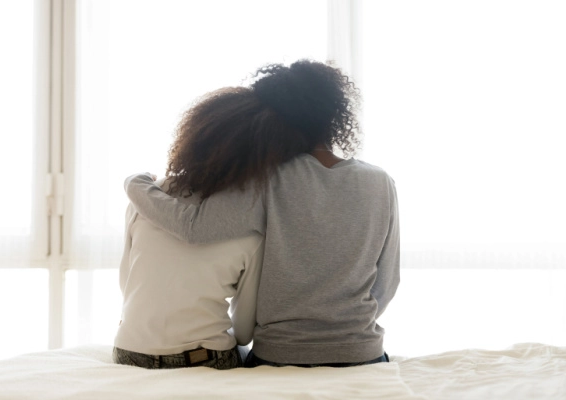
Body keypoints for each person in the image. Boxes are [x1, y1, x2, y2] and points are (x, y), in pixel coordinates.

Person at [124, 60, 400, 367]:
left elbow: (194, 229)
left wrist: (136, 185)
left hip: (280, 354)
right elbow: (386, 284)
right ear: (335, 114)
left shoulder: (265, 179)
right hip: (362, 351)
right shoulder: (381, 182)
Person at [113, 87, 273, 370]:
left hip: (128, 351)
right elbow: (245, 330)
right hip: (204, 358)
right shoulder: (250, 223)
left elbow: (127, 284)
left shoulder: (146, 198)